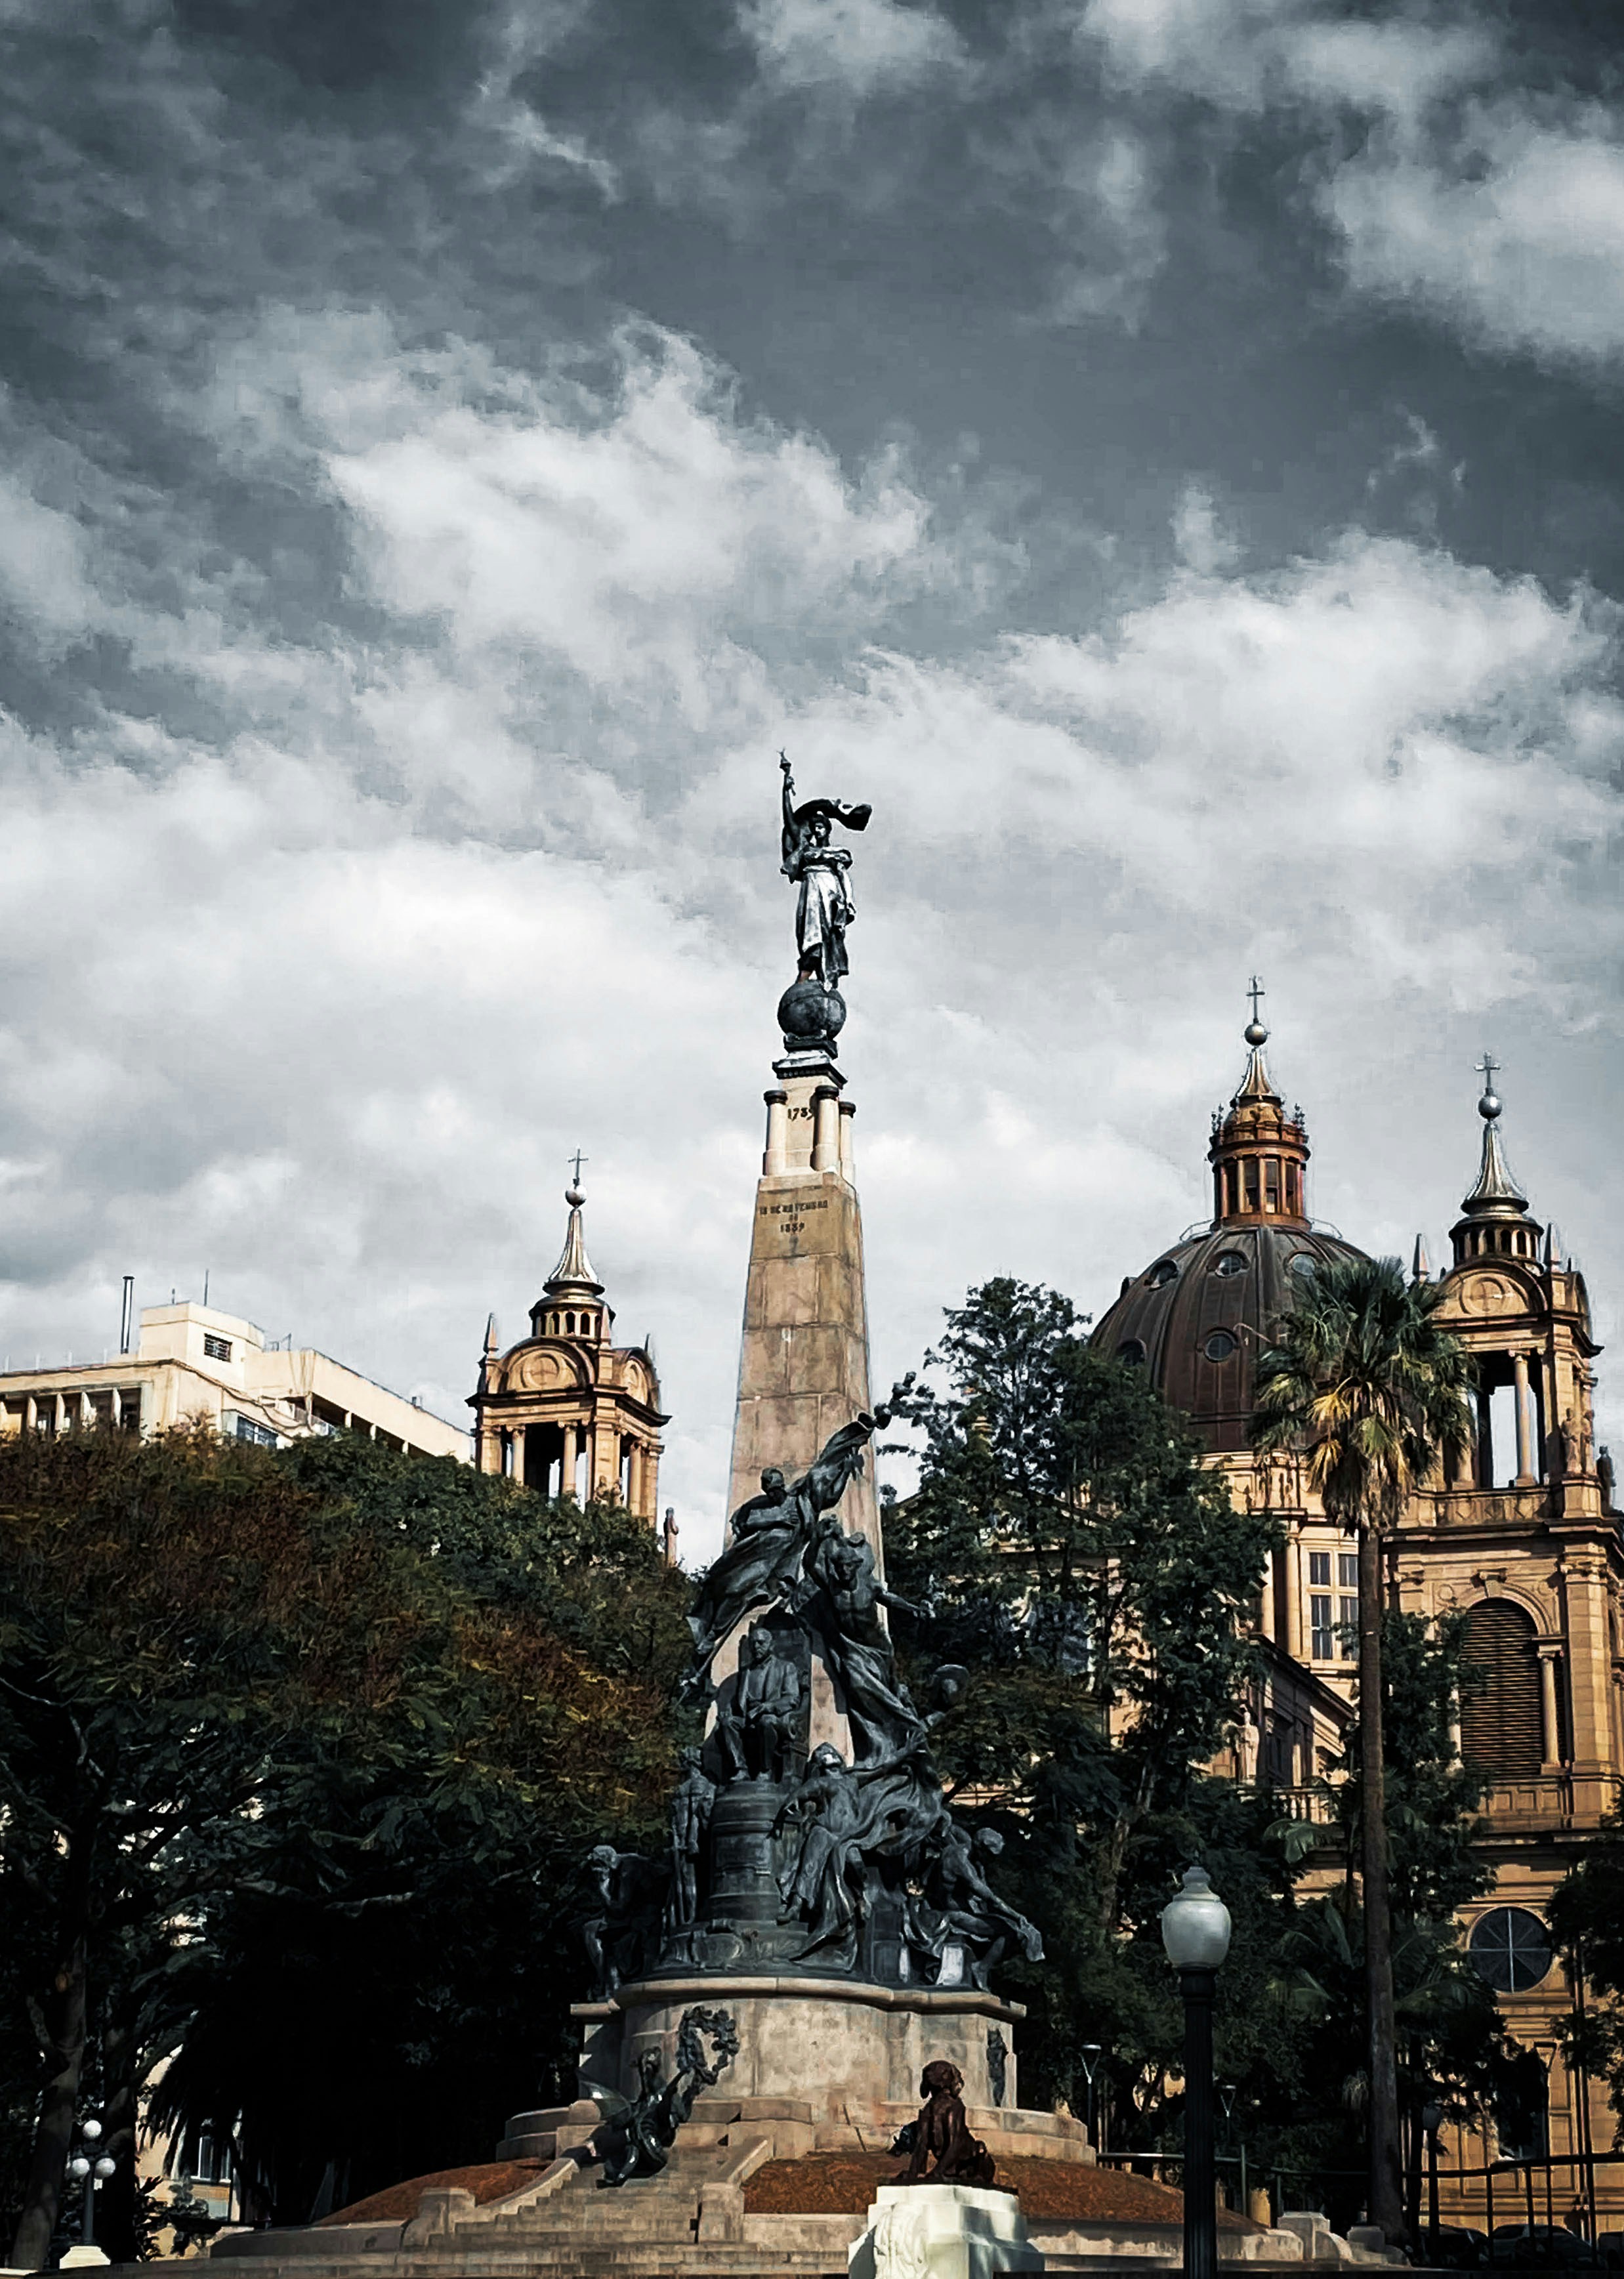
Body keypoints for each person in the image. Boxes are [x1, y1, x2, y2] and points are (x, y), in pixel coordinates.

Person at [682, 1410, 888, 1691]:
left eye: (778, 1489)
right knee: (731, 1590)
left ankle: (710, 1640)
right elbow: (744, 1521)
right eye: (771, 1491)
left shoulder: (800, 1501)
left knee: (749, 1592)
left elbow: (828, 1492)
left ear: (783, 1486)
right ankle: (707, 1645)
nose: (776, 1494)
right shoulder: (759, 1507)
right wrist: (776, 1518)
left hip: (778, 1568)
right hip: (754, 1558)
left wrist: (846, 1464)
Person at [780, 751, 869, 988]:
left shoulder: (836, 853)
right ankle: (808, 967)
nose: (817, 830)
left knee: (828, 930)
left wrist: (848, 902)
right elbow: (789, 821)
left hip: (830, 889)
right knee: (809, 928)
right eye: (814, 826)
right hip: (811, 888)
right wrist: (785, 789)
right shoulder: (804, 851)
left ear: (827, 830)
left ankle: (816, 973)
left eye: (821, 827)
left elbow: (843, 876)